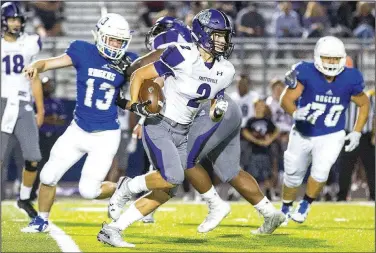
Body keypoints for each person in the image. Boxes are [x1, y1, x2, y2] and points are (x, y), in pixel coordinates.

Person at [99, 9, 235, 247]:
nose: (222, 41)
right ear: (203, 34)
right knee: (173, 177)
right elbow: (140, 75)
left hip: (183, 131)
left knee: (167, 190)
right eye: (218, 35)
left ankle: (113, 229)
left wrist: (217, 111)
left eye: (224, 36)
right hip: (159, 124)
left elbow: (214, 106)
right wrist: (134, 105)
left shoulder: (227, 70)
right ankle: (127, 186)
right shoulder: (181, 54)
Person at [21, 13, 136, 233]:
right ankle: (41, 220)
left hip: (105, 135)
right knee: (47, 176)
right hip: (77, 130)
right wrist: (37, 65)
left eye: (119, 41)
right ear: (100, 36)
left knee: (89, 191)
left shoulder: (129, 61)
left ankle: (125, 188)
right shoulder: (83, 51)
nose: (115, 45)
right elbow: (50, 62)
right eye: (111, 39)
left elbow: (147, 79)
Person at [280, 36, 370, 225]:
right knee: (292, 174)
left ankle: (305, 205)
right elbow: (285, 100)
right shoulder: (305, 71)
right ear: (317, 57)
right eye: (327, 58)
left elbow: (364, 103)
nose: (331, 62)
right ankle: (286, 207)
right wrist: (295, 113)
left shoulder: (350, 77)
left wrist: (357, 131)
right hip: (303, 131)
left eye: (336, 58)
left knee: (321, 172)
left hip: (332, 134)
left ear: (342, 59)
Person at [1, 2, 44, 218]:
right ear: (3, 21)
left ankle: (24, 198)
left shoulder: (30, 43)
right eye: (11, 19)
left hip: (24, 104)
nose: (15, 23)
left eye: (18, 19)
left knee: (33, 156)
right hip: (1, 103)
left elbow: (34, 78)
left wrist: (41, 109)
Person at [337, 88, 375, 201]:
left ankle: (373, 196)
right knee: (345, 168)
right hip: (348, 135)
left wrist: (374, 134)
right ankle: (342, 197)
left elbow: (374, 116)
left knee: (371, 168)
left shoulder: (370, 97)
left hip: (365, 136)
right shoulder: (343, 96)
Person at [242, 99, 280, 200]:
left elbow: (276, 130)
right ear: (254, 107)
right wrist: (256, 141)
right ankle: (252, 194)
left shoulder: (268, 121)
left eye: (262, 106)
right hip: (253, 151)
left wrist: (269, 140)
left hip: (266, 152)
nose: (260, 108)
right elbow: (245, 132)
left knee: (267, 173)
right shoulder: (251, 121)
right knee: (253, 174)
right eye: (258, 106)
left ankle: (268, 192)